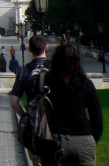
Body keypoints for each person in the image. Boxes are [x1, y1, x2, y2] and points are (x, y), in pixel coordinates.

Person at [37, 44, 103, 166]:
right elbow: (97, 118)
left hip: (54, 139)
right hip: (83, 138)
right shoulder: (85, 83)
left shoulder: (47, 80)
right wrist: (93, 139)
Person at [9, 35, 51, 166]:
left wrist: (24, 115)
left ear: (29, 49)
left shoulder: (23, 71)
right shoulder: (55, 69)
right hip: (54, 122)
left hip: (34, 122)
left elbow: (14, 102)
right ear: (47, 48)